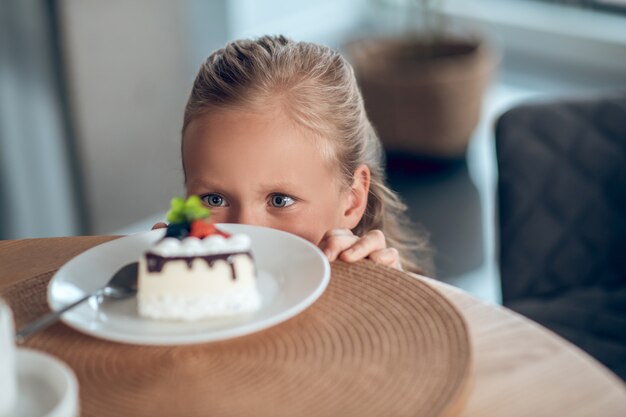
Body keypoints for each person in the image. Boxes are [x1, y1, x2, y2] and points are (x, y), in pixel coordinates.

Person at [155, 35, 431, 274]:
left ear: (352, 201)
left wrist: (391, 297)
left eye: (280, 200)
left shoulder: (380, 308)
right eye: (213, 199)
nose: (246, 233)